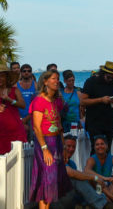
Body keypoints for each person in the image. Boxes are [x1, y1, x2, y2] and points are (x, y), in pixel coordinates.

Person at [29, 70, 72, 208]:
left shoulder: (57, 101)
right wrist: (44, 149)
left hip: (57, 142)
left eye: (57, 78)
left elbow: (59, 124)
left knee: (53, 182)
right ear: (45, 81)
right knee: (46, 182)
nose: (56, 81)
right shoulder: (39, 101)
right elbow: (36, 127)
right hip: (45, 143)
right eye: (53, 78)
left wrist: (64, 146)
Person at [62, 134, 113, 209]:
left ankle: (102, 201)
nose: (71, 149)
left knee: (84, 179)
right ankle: (103, 203)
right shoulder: (57, 159)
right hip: (56, 197)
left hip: (71, 194)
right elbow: (75, 173)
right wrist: (96, 178)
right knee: (80, 179)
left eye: (73, 147)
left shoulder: (72, 163)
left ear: (106, 146)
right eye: (68, 146)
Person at [0, 66, 27, 155]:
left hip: (17, 130)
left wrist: (9, 99)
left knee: (19, 158)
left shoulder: (15, 90)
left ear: (7, 77)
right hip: (1, 131)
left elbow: (23, 105)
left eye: (2, 76)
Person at [79, 61, 113, 147]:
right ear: (103, 73)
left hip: (109, 123)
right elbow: (83, 101)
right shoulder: (91, 82)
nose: (110, 80)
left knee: (107, 150)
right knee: (97, 150)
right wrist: (101, 100)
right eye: (108, 77)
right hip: (95, 123)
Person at [84, 135, 113, 206]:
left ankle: (106, 198)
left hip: (108, 188)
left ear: (107, 146)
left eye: (102, 144)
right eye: (97, 144)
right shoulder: (92, 159)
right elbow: (86, 171)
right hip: (96, 188)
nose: (100, 146)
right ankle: (111, 197)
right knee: (94, 178)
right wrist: (104, 178)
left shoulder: (111, 158)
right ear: (94, 147)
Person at [16, 64, 37, 134]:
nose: (26, 72)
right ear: (21, 73)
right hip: (19, 117)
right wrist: (20, 119)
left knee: (32, 140)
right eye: (24, 71)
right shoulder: (16, 86)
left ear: (31, 73)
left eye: (29, 71)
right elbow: (13, 103)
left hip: (32, 117)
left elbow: (38, 103)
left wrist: (27, 118)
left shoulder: (36, 85)